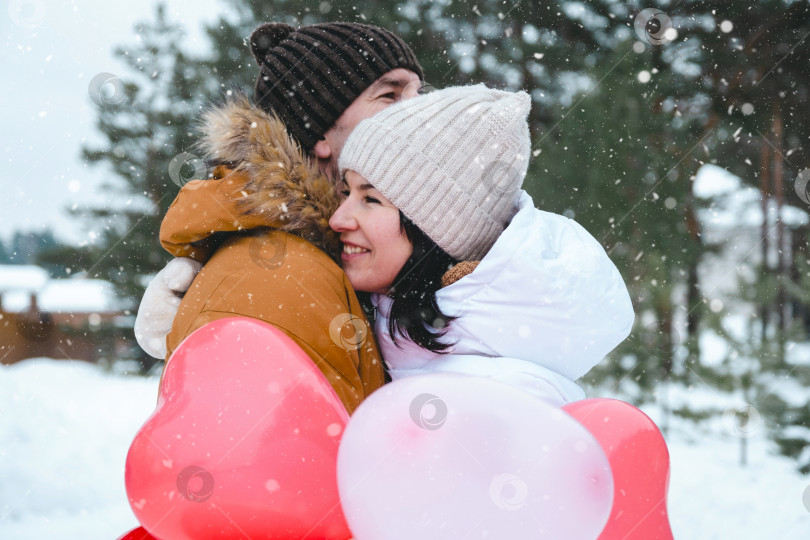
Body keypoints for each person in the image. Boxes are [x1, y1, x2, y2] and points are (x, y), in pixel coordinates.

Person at [137, 21, 423, 414]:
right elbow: (258, 465)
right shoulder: (272, 276)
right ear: (320, 128)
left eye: (420, 95)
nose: (420, 112)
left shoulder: (353, 254)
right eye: (390, 95)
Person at [329, 84, 635, 406]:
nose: (338, 218)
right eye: (345, 193)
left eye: (371, 199)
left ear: (437, 228)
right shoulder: (409, 335)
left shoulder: (491, 398)